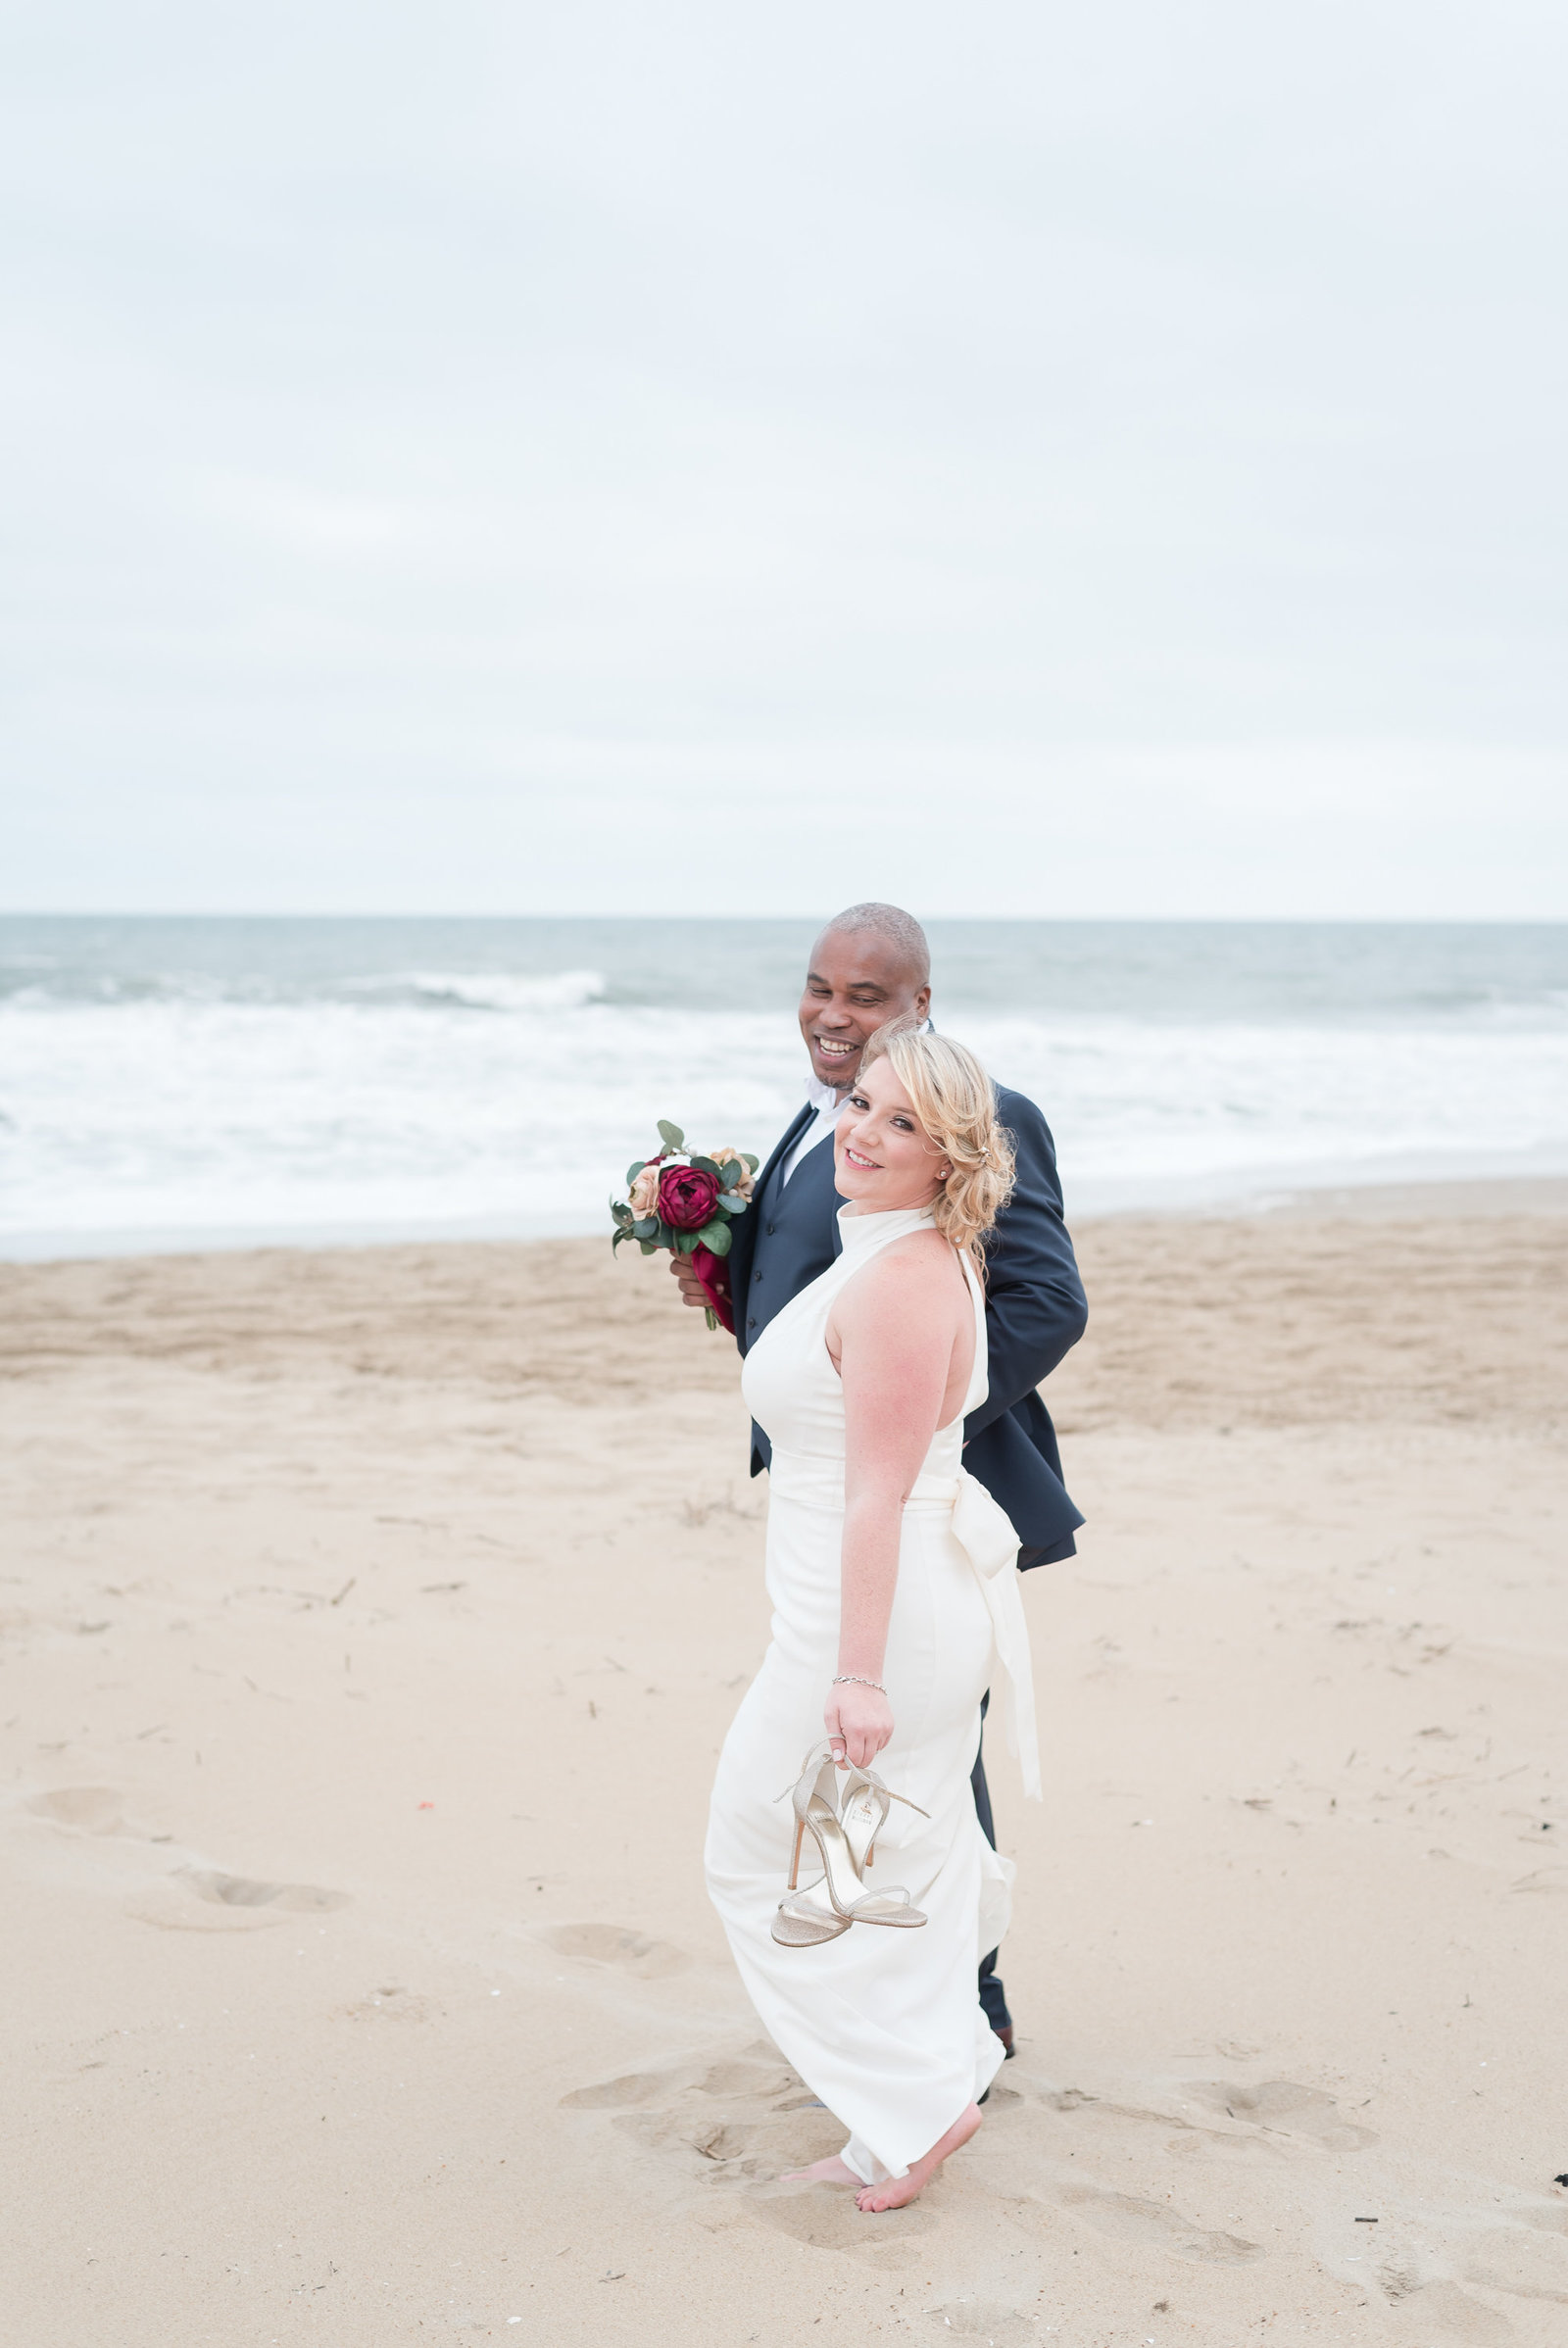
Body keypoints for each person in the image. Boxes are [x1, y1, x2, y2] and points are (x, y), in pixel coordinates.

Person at [672, 903, 1086, 2052]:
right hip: (827, 1506)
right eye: (819, 986)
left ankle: (967, 2015)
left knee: (915, 1761)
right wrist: (733, 1296)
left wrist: (908, 1431)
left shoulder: (978, 1113)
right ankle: (897, 2007)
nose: (833, 1014)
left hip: (910, 1502)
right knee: (862, 1763)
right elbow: (828, 1293)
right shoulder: (829, 1118)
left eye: (867, 995)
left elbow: (1046, 1300)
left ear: (921, 1006)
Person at [704, 1024, 1045, 2209]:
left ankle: (921, 2100)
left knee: (758, 1855)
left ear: (950, 1157)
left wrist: (853, 1674)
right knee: (857, 1870)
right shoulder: (889, 1252)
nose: (861, 1130)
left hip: (871, 1627)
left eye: (902, 1123)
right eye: (860, 1103)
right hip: (859, 1611)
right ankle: (891, 2117)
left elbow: (878, 1495)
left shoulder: (902, 1278)